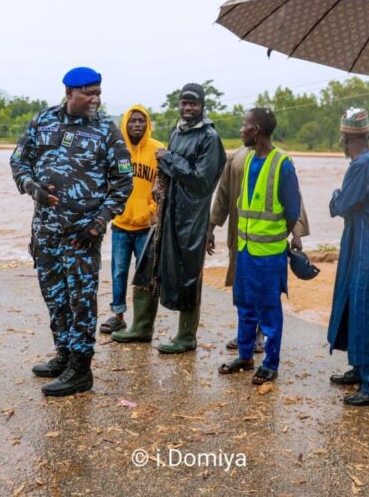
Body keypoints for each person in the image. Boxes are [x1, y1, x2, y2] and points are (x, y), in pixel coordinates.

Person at [10, 67, 132, 396]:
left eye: (98, 93)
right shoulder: (42, 121)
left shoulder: (106, 130)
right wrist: (31, 186)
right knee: (55, 296)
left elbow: (124, 181)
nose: (96, 99)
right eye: (89, 93)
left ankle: (80, 369)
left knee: (81, 300)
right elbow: (18, 161)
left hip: (82, 234)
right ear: (69, 94)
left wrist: (100, 221)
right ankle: (63, 355)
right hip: (46, 231)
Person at [112, 83, 226, 353]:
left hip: (190, 218)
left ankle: (186, 336)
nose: (188, 108)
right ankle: (142, 327)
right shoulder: (177, 131)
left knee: (188, 274)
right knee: (147, 265)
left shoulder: (209, 137)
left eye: (193, 104)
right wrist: (159, 181)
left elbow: (202, 180)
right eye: (184, 103)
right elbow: (165, 168)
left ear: (202, 106)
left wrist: (169, 158)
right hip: (165, 211)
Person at [217, 107, 301, 385]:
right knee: (244, 305)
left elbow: (292, 211)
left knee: (268, 309)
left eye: (245, 125)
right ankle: (245, 356)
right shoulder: (250, 159)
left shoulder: (283, 164)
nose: (241, 130)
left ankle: (270, 364)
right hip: (245, 250)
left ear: (257, 130)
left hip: (268, 254)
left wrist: (276, 238)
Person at [208, 144, 310, 353]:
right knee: (242, 289)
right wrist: (210, 227)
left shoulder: (279, 160)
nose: (242, 130)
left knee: (266, 289)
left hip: (267, 242)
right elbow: (223, 194)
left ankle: (260, 334)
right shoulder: (235, 158)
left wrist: (296, 233)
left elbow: (293, 199)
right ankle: (245, 336)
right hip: (240, 236)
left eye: (245, 127)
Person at [326, 108, 369, 406]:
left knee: (364, 310)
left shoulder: (362, 165)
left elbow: (341, 206)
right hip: (362, 242)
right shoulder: (367, 163)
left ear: (344, 138)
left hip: (368, 245)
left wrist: (335, 195)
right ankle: (360, 367)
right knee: (353, 305)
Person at [99, 105, 162, 335]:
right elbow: (106, 181)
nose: (137, 124)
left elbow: (162, 184)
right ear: (125, 123)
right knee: (119, 272)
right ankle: (118, 315)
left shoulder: (157, 150)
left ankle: (141, 320)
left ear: (148, 124)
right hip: (120, 224)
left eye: (141, 120)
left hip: (147, 226)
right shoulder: (116, 148)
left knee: (144, 274)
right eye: (133, 120)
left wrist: (152, 210)